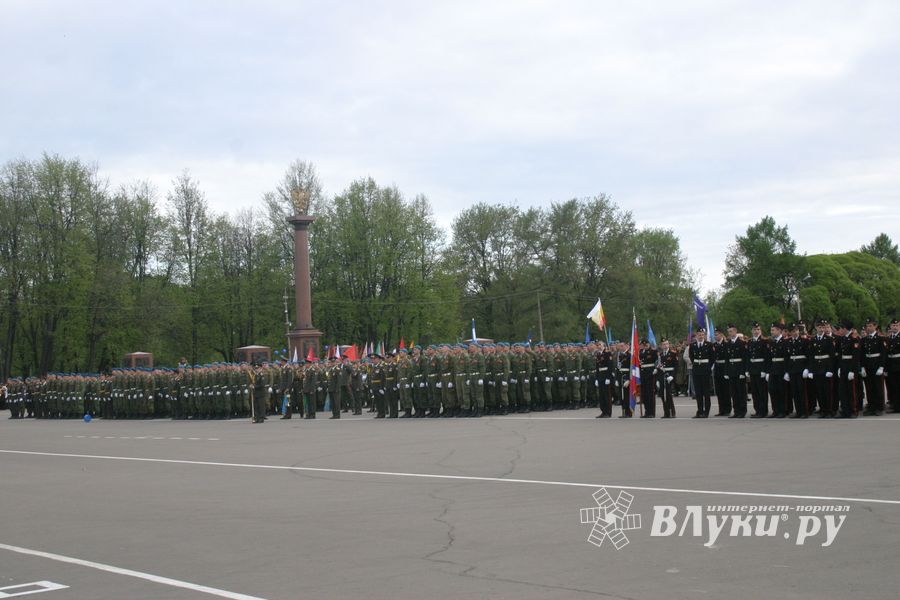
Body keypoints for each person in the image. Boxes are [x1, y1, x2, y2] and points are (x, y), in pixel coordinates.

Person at [860, 317, 887, 415]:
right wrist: (862, 367)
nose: (868, 328)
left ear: (875, 326)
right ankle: (871, 407)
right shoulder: (864, 340)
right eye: (867, 326)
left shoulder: (881, 338)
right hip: (868, 365)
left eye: (870, 326)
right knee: (869, 387)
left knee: (878, 387)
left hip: (876, 365)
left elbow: (883, 354)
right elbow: (862, 354)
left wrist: (881, 366)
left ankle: (880, 407)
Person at [689, 328, 714, 418]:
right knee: (698, 393)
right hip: (696, 370)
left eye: (702, 334)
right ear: (696, 335)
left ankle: (706, 412)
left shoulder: (709, 345)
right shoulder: (693, 345)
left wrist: (708, 367)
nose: (701, 336)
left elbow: (712, 358)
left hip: (705, 370)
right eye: (699, 334)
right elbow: (691, 357)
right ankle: (700, 411)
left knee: (706, 392)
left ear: (705, 335)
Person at [746, 322, 770, 418]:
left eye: (758, 329)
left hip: (761, 369)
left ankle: (763, 411)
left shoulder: (765, 341)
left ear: (761, 330)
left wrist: (765, 370)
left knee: (762, 392)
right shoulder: (749, 342)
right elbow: (747, 356)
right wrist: (747, 369)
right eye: (754, 330)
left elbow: (767, 357)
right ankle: (757, 410)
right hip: (753, 369)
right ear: (751, 331)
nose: (756, 331)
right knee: (755, 392)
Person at [656, 339, 678, 418]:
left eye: (666, 344)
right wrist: (658, 379)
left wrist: (672, 376)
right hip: (662, 376)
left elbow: (676, 366)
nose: (665, 345)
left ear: (669, 345)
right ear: (661, 346)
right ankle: (666, 412)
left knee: (668, 394)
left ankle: (672, 412)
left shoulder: (673, 354)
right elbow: (659, 367)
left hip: (669, 376)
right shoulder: (660, 355)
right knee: (662, 394)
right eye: (663, 344)